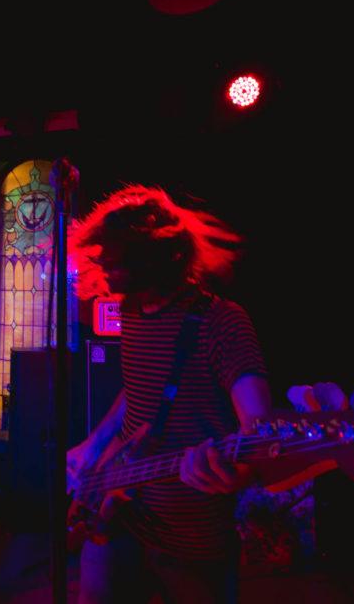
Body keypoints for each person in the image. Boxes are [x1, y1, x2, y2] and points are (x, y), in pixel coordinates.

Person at [66, 185, 272, 603]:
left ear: (158, 256)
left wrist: (242, 471)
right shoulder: (131, 311)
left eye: (117, 257)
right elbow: (139, 389)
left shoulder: (222, 322)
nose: (104, 265)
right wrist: (96, 443)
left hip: (191, 538)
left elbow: (261, 428)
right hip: (123, 515)